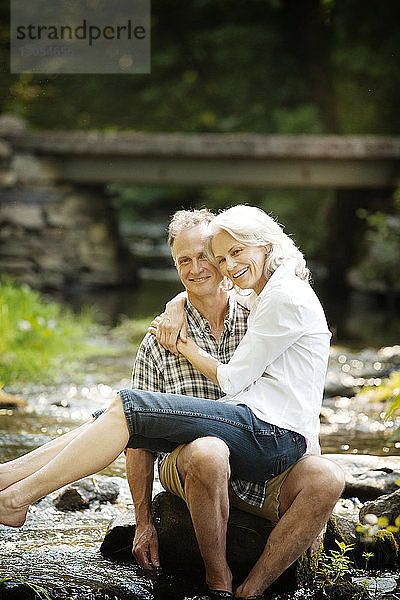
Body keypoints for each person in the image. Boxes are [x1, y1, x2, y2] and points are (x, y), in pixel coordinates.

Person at [0, 206, 344, 600]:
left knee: (327, 475)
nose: (203, 268)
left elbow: (284, 380)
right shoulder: (165, 336)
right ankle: (219, 583)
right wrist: (143, 520)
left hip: (260, 449)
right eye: (186, 261)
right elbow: (139, 443)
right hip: (195, 460)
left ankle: (250, 592)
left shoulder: (260, 305)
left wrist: (183, 334)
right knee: (188, 442)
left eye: (209, 257)